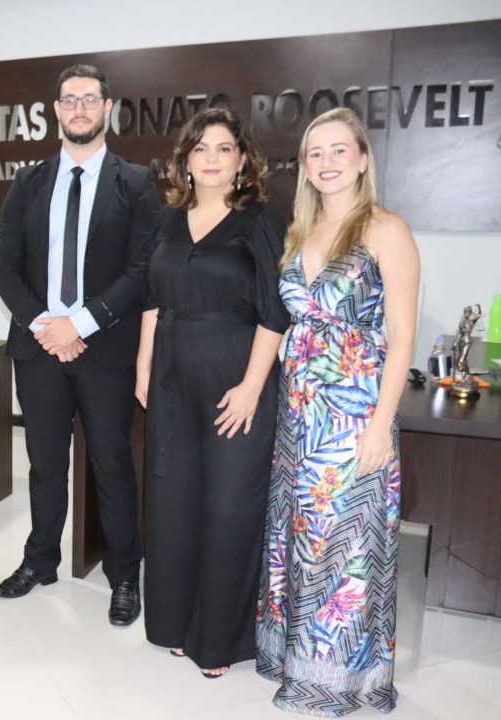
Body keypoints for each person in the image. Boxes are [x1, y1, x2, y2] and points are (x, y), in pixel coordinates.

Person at [256, 107, 419, 715]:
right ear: (304, 166)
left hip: (355, 414)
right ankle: (297, 664)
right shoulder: (300, 230)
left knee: (343, 547)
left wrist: (380, 425)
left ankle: (338, 682)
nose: (326, 163)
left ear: (362, 159)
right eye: (315, 153)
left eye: (338, 150)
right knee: (299, 539)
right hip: (299, 413)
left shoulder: (385, 229)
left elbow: (402, 336)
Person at [0, 64, 160, 625]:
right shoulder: (28, 182)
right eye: (69, 100)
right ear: (56, 110)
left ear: (107, 108)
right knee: (42, 465)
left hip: (105, 350)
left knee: (112, 463)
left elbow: (141, 270)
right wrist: (48, 325)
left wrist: (80, 324)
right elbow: (5, 266)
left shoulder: (137, 183)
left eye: (89, 99)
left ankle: (124, 574)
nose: (79, 108)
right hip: (39, 348)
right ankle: (39, 561)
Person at [135, 108, 288, 678]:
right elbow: (152, 298)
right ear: (185, 161)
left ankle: (219, 640)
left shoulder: (260, 220)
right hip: (171, 377)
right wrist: (143, 369)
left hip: (236, 377)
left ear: (242, 160)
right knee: (173, 503)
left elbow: (275, 311)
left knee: (228, 507)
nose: (212, 159)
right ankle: (174, 624)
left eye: (224, 149)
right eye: (201, 149)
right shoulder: (167, 218)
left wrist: (252, 386)